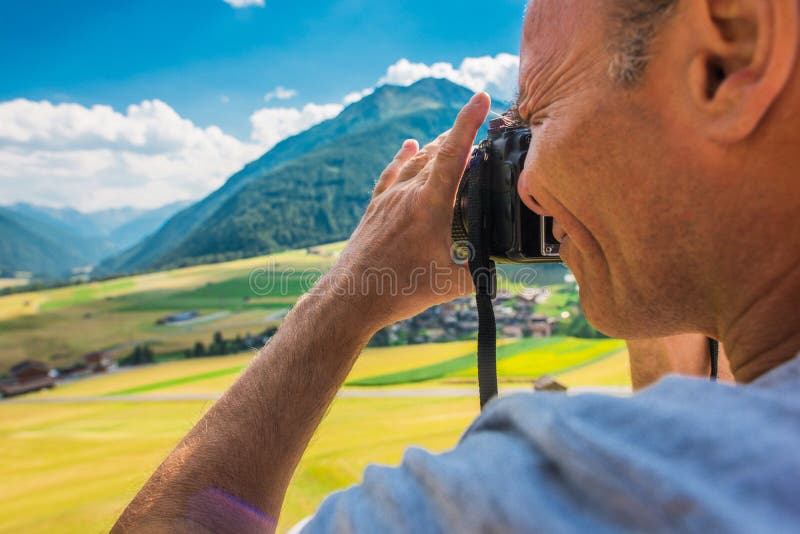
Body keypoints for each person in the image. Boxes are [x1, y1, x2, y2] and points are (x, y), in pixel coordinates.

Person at [113, 0, 800, 531]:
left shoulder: (529, 492)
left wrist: (348, 292)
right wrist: (639, 239)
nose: (527, 183)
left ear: (729, 50)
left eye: (540, 115)